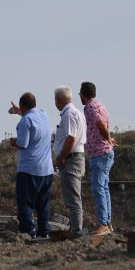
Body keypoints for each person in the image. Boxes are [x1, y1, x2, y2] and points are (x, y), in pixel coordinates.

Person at [8, 92, 54, 237]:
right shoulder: (43, 115)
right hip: (46, 169)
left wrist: (13, 142)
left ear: (22, 106)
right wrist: (19, 112)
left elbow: (23, 143)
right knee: (43, 203)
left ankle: (28, 231)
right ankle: (44, 231)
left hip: (29, 169)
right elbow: (32, 120)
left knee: (25, 202)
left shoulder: (25, 121)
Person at [80, 81, 116, 236]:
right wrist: (108, 138)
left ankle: (103, 223)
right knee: (104, 187)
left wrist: (107, 138)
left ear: (83, 94)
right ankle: (107, 222)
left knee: (98, 187)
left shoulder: (90, 108)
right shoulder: (101, 105)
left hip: (99, 153)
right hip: (104, 152)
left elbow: (100, 123)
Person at [52, 85, 87, 235]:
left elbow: (71, 138)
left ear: (58, 100)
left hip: (71, 159)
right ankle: (75, 227)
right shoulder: (76, 113)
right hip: (74, 158)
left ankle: (76, 230)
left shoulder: (69, 114)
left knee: (73, 197)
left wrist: (61, 157)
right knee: (72, 196)